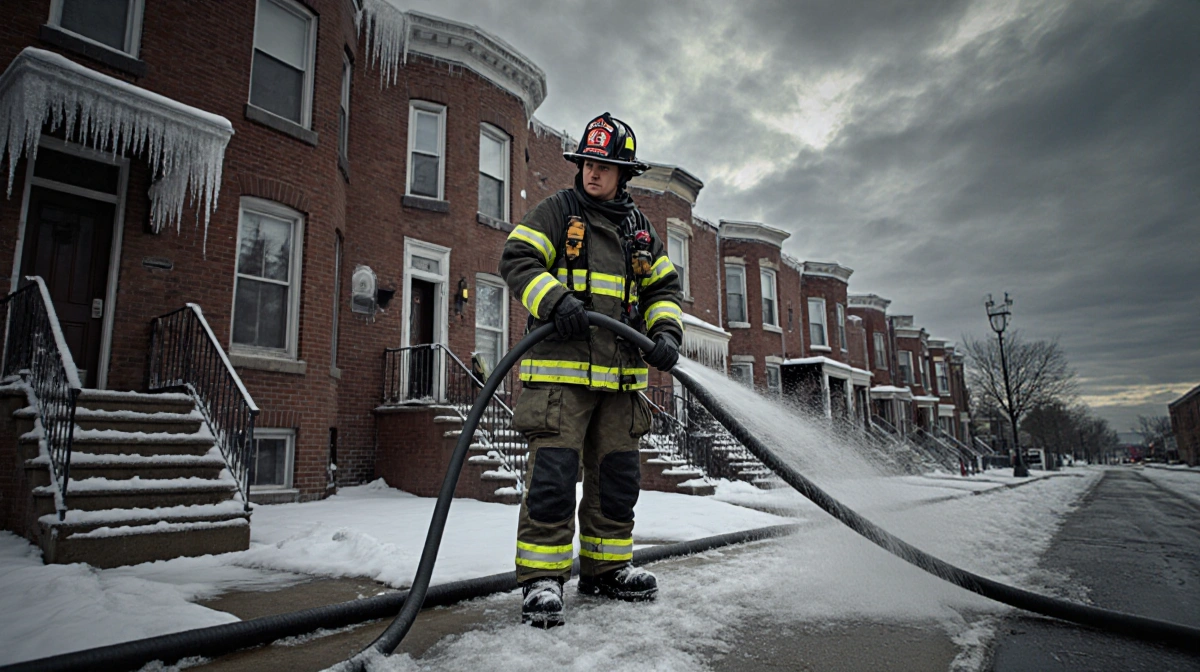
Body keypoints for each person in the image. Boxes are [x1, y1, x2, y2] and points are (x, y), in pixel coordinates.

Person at [499, 112, 684, 628]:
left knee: (617, 481)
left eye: (604, 166)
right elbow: (516, 258)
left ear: (624, 173)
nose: (592, 173)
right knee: (553, 479)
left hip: (621, 384)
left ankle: (607, 569)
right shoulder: (558, 212)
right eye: (586, 163)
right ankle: (542, 580)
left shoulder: (640, 232)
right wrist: (554, 300)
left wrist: (666, 334)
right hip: (561, 380)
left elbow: (662, 291)